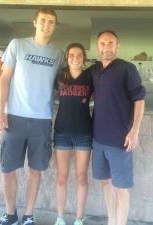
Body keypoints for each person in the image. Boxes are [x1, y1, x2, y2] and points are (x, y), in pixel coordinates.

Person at [0, 7, 64, 225]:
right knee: (8, 170)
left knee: (35, 170)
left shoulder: (58, 54)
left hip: (42, 121)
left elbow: (60, 86)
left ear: (55, 26)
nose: (47, 25)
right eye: (43, 20)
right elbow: (4, 79)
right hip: (14, 117)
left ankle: (28, 215)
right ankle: (10, 214)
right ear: (35, 22)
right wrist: (0, 112)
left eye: (51, 22)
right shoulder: (17, 44)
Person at [88, 30, 146, 225]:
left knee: (121, 188)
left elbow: (139, 100)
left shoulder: (127, 68)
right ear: (98, 46)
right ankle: (111, 221)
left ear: (117, 45)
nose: (106, 47)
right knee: (105, 183)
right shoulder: (95, 70)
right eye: (103, 43)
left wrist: (135, 131)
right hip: (98, 140)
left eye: (110, 43)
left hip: (120, 140)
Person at [53, 43, 93, 225]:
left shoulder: (90, 77)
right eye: (71, 55)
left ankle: (79, 219)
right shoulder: (60, 76)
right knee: (61, 178)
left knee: (81, 177)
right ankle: (60, 218)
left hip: (84, 133)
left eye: (79, 55)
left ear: (84, 58)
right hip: (62, 133)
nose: (75, 59)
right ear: (67, 58)